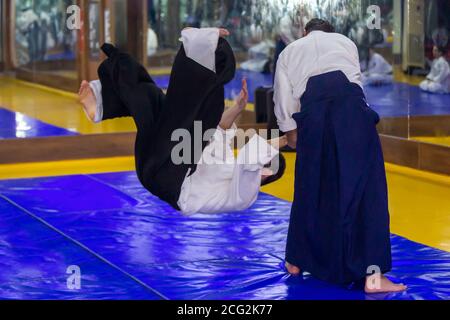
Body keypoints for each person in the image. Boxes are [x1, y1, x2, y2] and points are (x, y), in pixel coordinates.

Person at [79, 27, 286, 215]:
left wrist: (286, 140)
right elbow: (219, 133)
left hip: (173, 179)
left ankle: (198, 50)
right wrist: (238, 107)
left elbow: (250, 159)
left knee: (203, 109)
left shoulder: (246, 195)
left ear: (267, 171)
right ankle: (101, 103)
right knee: (154, 101)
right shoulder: (229, 168)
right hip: (159, 167)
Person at [274, 18, 407, 293]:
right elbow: (356, 85)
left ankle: (296, 261)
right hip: (351, 113)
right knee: (366, 190)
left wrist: (292, 134)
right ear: (331, 33)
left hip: (312, 114)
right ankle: (373, 276)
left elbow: (283, 100)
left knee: (310, 186)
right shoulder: (346, 42)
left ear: (304, 32)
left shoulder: (290, 51)